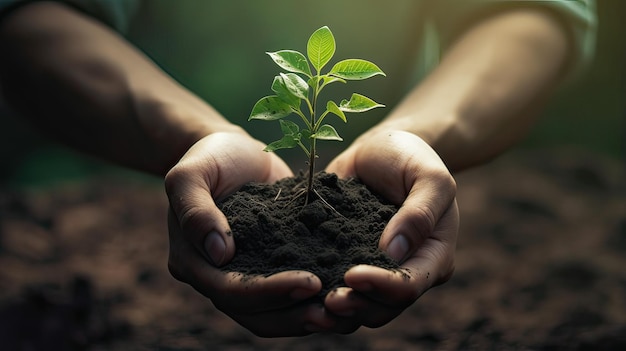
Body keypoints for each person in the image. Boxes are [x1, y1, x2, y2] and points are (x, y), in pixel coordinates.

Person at [0, 0, 595, 337]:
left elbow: (531, 13)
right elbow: (27, 15)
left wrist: (416, 135)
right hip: (104, 212)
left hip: (387, 161)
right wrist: (194, 138)